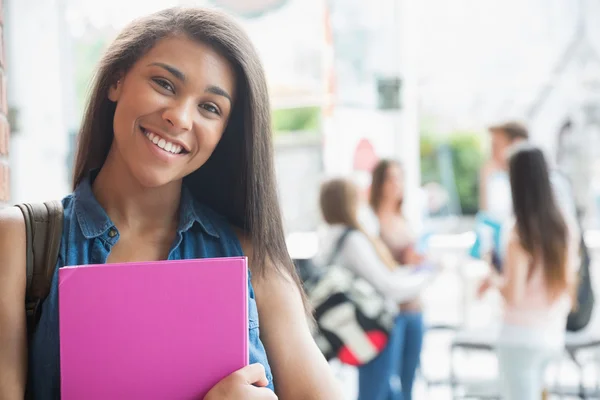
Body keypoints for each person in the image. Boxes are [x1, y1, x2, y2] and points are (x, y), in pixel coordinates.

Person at [0, 7, 344, 400]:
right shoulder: (19, 242)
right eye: (164, 84)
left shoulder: (255, 259)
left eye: (210, 108)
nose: (179, 117)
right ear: (116, 80)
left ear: (224, 134)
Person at [317, 178, 438, 400]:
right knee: (377, 391)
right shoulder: (352, 239)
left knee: (385, 390)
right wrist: (426, 276)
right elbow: (387, 286)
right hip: (376, 324)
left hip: (356, 327)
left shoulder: (328, 238)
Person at [478, 145, 579, 400]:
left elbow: (514, 295)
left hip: (519, 337)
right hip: (552, 334)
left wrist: (493, 279)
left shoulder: (519, 232)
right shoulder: (565, 226)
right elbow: (566, 283)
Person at [369, 160, 430, 400]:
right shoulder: (372, 221)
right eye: (390, 178)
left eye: (399, 178)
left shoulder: (405, 218)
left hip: (414, 307)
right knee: (384, 382)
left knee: (408, 381)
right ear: (380, 182)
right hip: (391, 313)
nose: (396, 184)